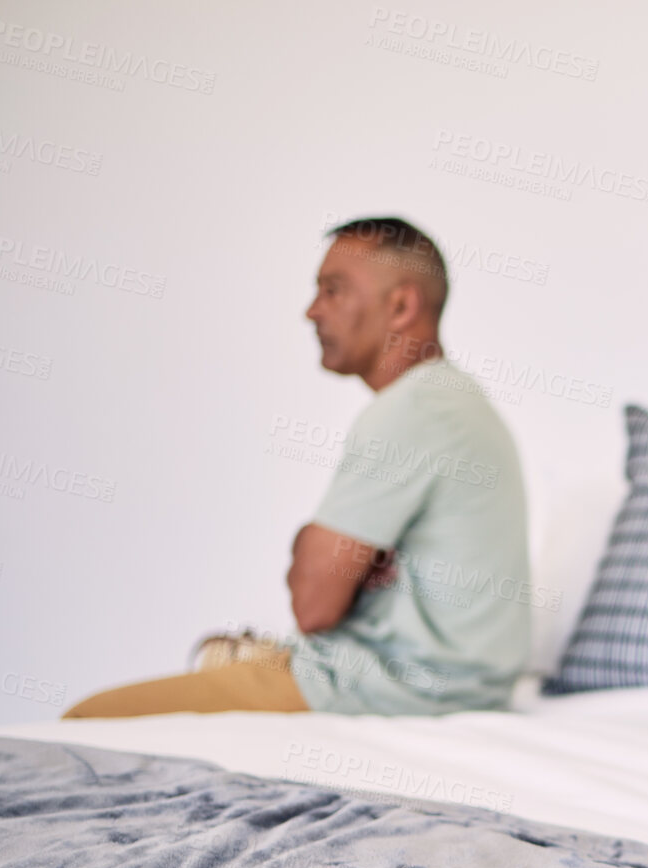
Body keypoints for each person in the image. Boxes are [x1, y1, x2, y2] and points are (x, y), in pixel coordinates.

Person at [63, 217, 534, 718]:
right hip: (460, 689)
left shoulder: (412, 409)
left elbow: (313, 605)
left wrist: (319, 549)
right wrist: (348, 560)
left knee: (86, 719)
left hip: (383, 689)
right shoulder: (457, 401)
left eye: (334, 291)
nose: (312, 311)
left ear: (401, 306)